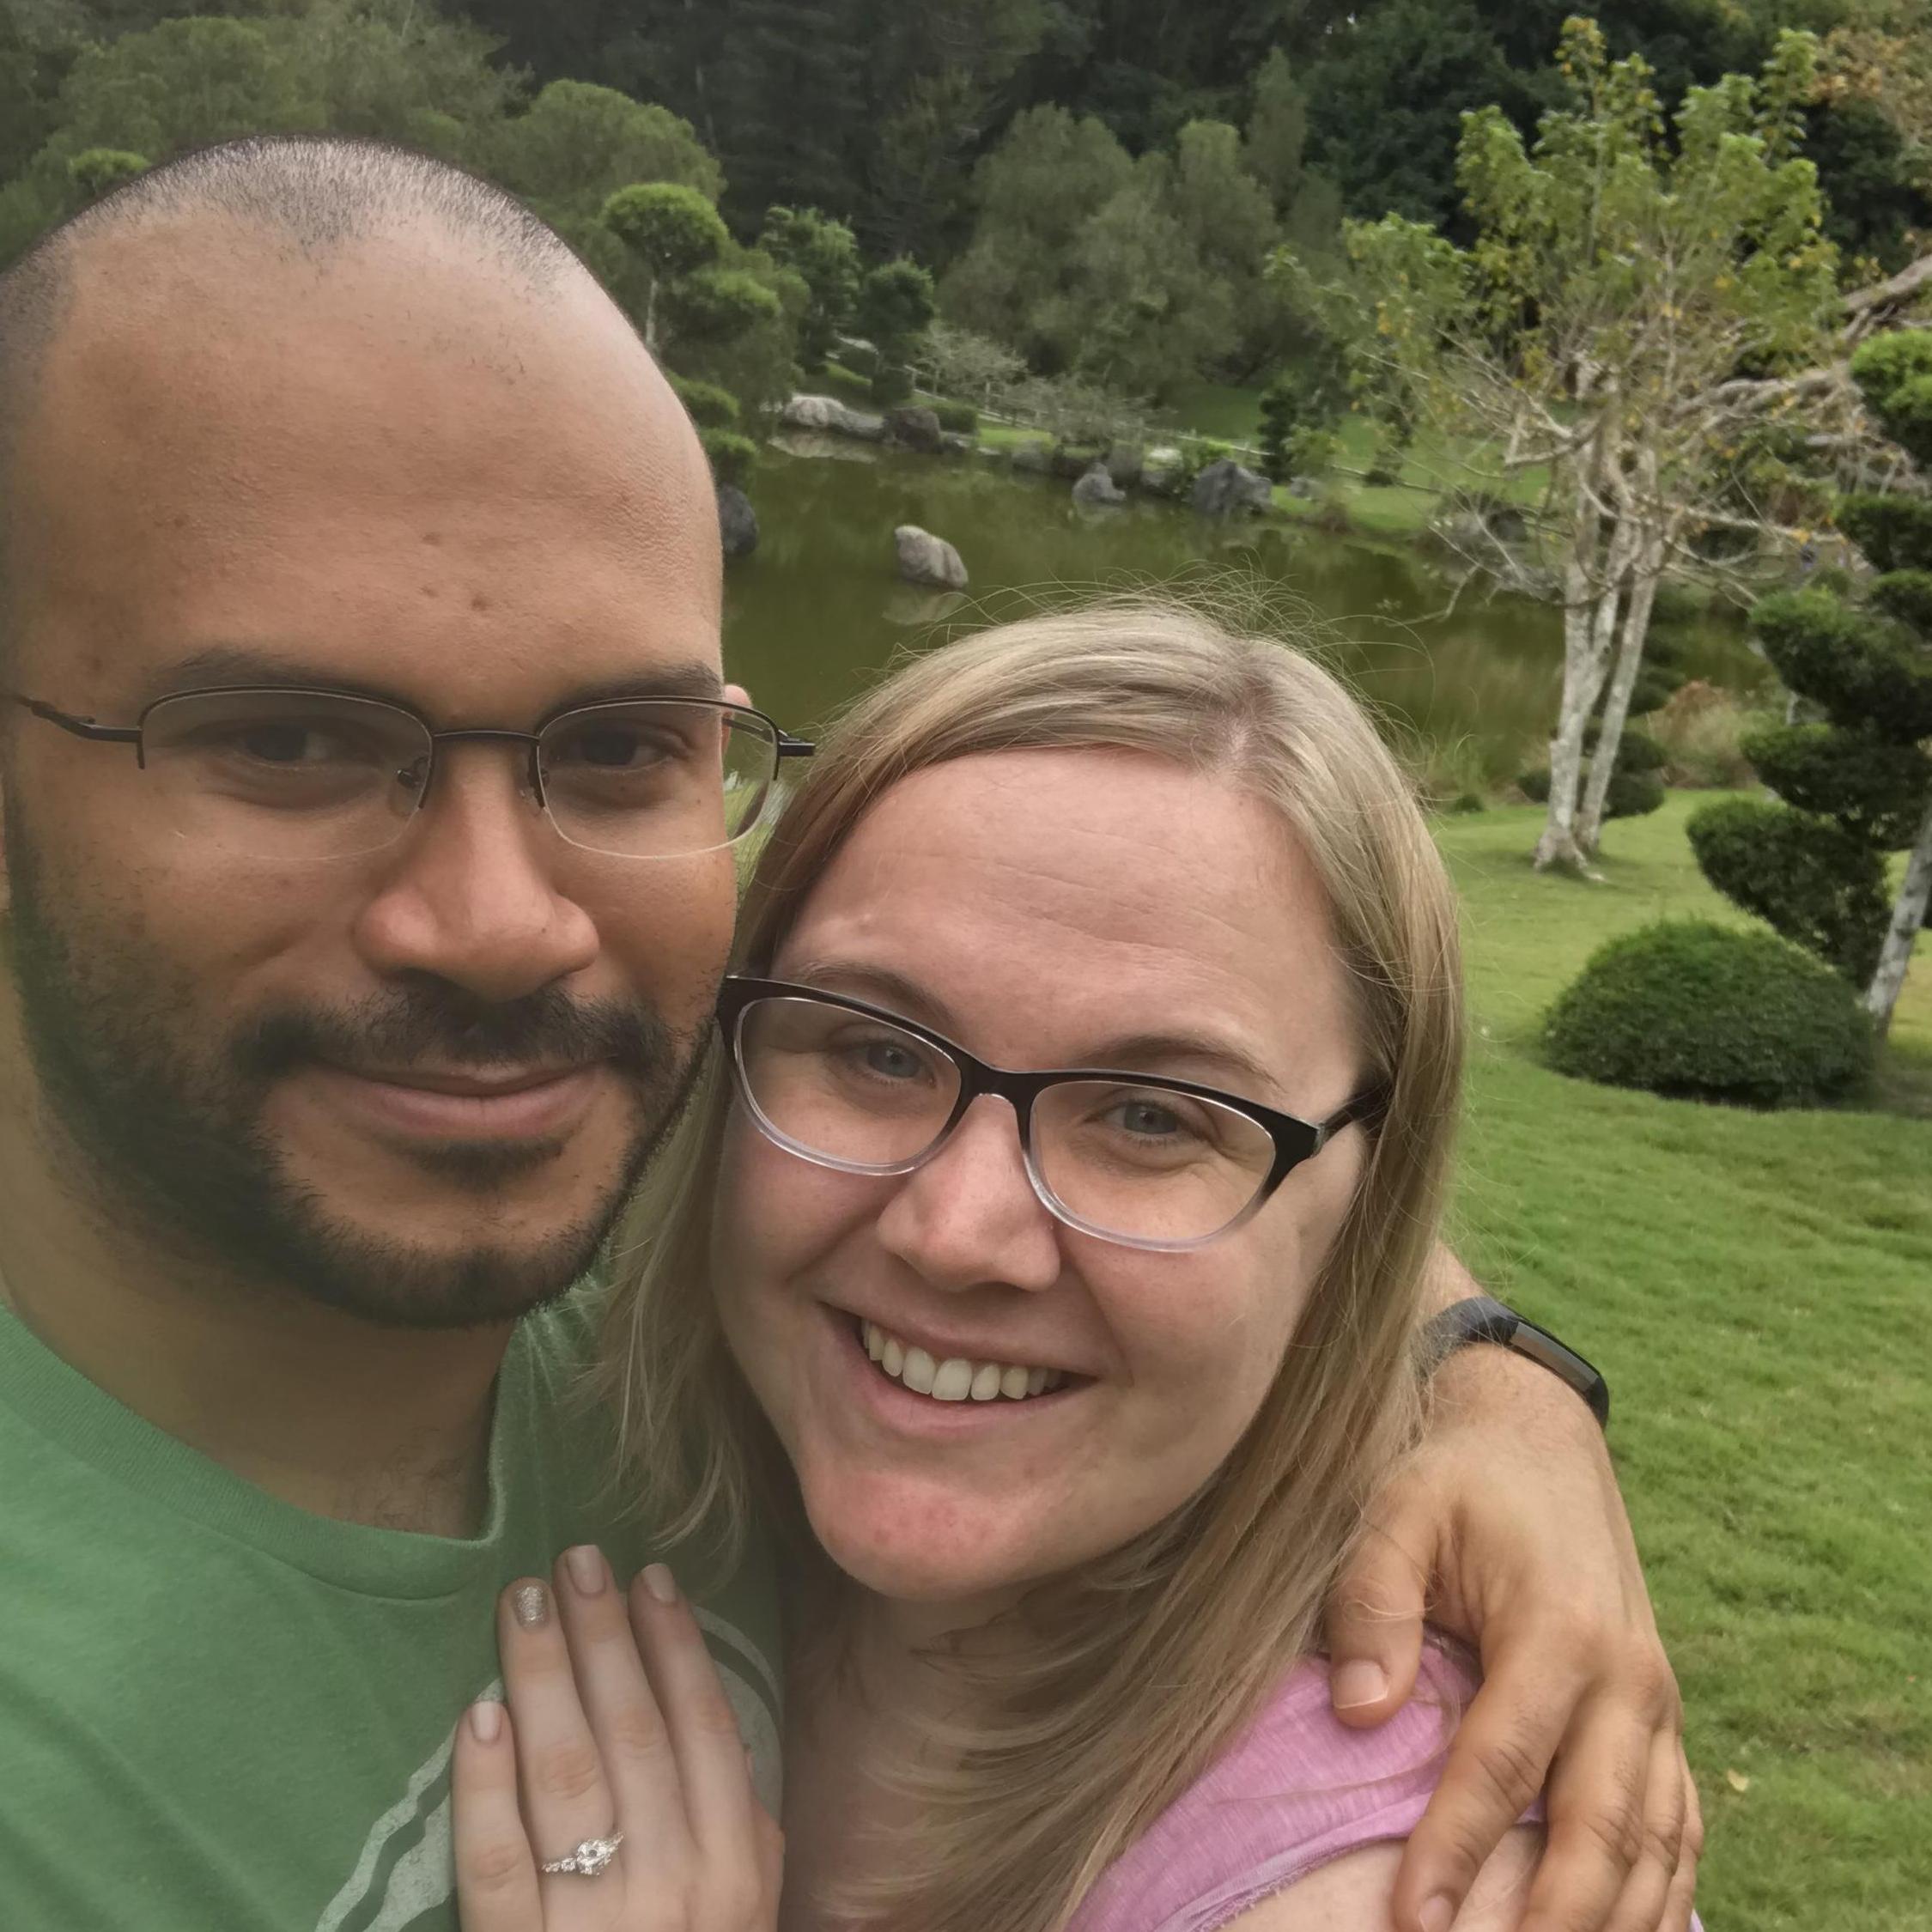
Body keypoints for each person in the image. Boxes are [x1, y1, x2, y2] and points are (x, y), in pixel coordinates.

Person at [0, 137, 1692, 1931]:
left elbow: (1262, 1131)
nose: (502, 928)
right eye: (287, 741)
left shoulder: (639, 1175)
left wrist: (1503, 1387)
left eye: (619, 749)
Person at [454, 604, 1700, 1932]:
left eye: (1152, 1116)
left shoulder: (1416, 1887)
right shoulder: (550, 1375)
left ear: (1364, 1201)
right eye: (878, 1049)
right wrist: (1502, 1381)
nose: (956, 1232)